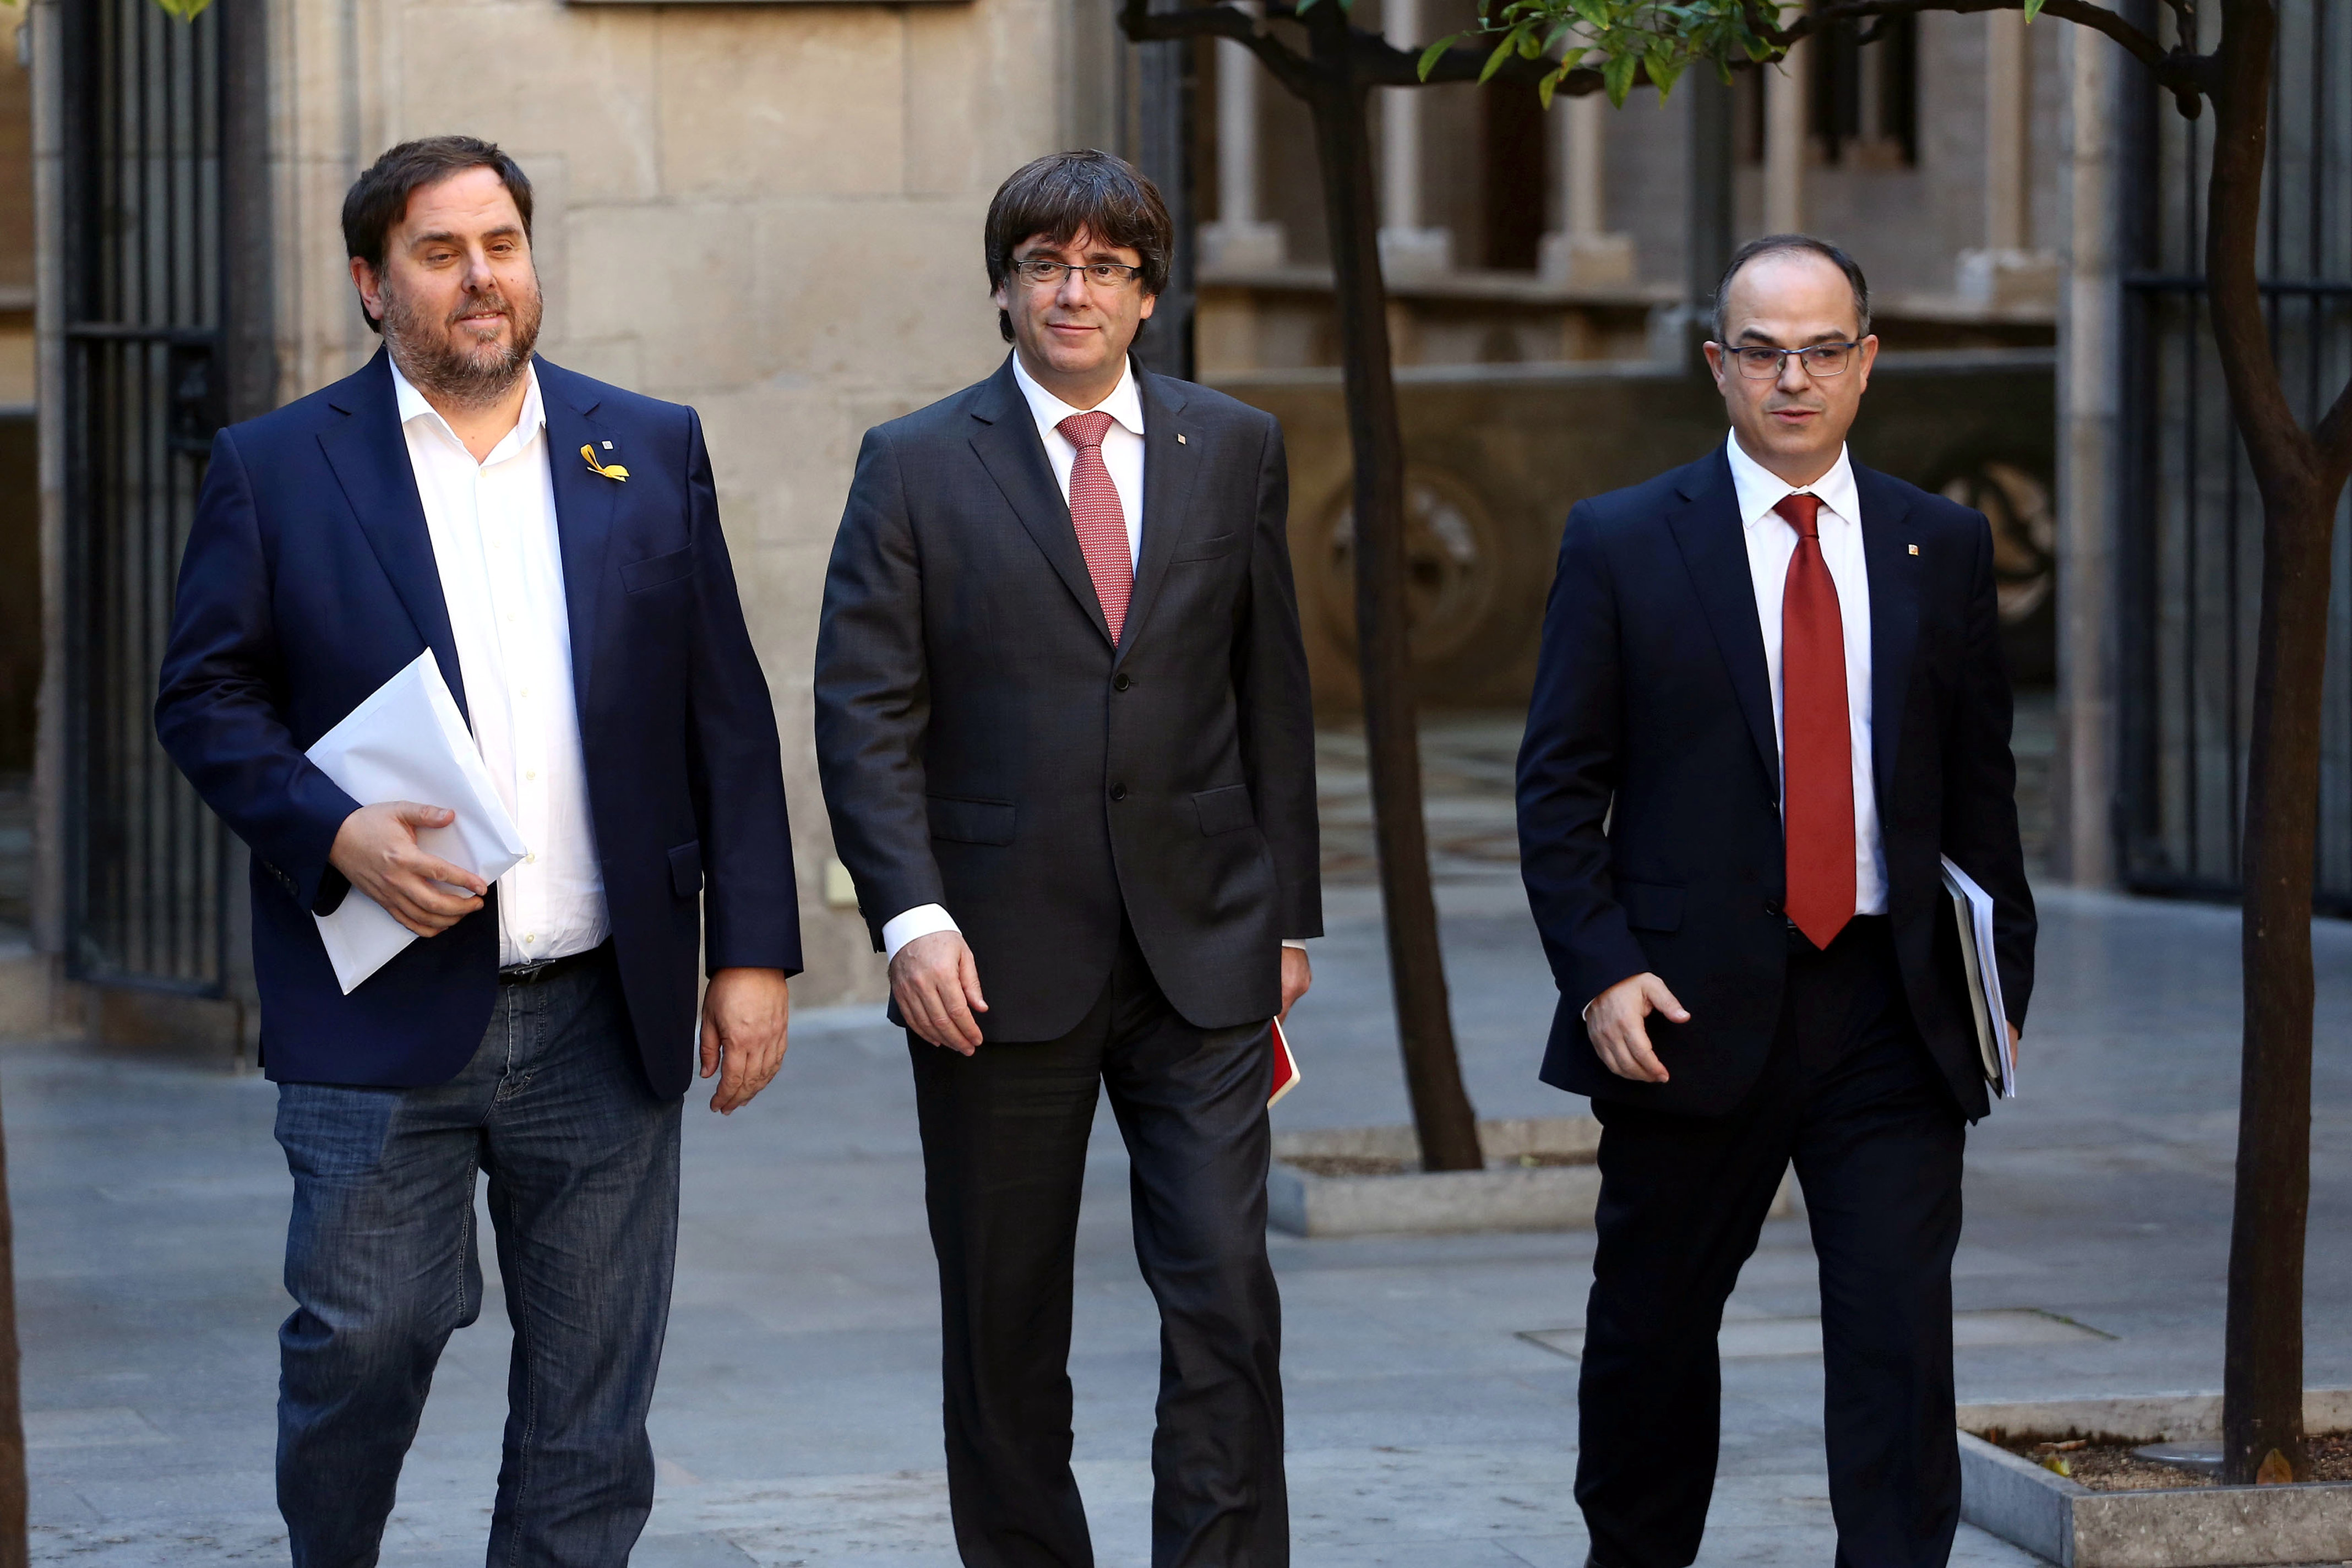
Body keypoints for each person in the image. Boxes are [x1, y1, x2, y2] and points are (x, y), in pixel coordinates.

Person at [154, 136, 800, 1567]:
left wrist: (751, 954)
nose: (481, 278)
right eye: (440, 254)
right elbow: (200, 696)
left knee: (590, 1406)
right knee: (362, 1346)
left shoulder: (645, 445)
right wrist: (336, 834)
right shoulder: (279, 468)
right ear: (372, 286)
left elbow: (726, 715)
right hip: (382, 1010)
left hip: (603, 1010)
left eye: (501, 243)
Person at [813, 150, 1319, 1567]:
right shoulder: (914, 463)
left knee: (1225, 1293)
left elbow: (1270, 690)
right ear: (1003, 288)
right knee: (1006, 1320)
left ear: (1149, 293)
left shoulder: (1235, 446)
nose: (1073, 288)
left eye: (1104, 265)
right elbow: (865, 714)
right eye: (1046, 262)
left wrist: (1289, 914)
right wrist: (911, 921)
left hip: (1202, 949)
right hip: (992, 961)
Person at [1515, 235, 2036, 1568]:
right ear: (1718, 364)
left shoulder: (1945, 542)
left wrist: (1997, 989)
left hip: (1890, 1012)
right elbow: (1559, 788)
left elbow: (1984, 796)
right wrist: (1602, 966)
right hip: (1685, 1007)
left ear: (1867, 362)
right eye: (1762, 350)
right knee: (1650, 1335)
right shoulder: (1624, 540)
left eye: (1821, 349)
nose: (1791, 377)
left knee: (1896, 1341)